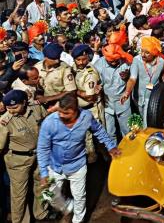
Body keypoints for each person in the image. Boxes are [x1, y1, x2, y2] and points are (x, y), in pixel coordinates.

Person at [37, 94, 120, 223]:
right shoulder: (49, 123)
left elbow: (98, 130)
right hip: (54, 167)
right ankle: (68, 207)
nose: (62, 116)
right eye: (60, 112)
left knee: (80, 197)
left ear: (76, 111)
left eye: (66, 113)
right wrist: (43, 172)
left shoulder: (86, 117)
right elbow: (42, 149)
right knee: (49, 195)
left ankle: (78, 220)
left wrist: (110, 146)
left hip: (78, 166)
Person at [0, 90, 48, 222]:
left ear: (24, 102)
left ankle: (41, 213)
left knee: (43, 185)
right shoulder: (5, 121)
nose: (11, 110)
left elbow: (47, 124)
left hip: (40, 155)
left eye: (15, 107)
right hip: (18, 161)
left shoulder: (36, 108)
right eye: (8, 107)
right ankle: (20, 221)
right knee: (19, 194)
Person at [121, 36, 164, 124]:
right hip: (139, 98)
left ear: (154, 53)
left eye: (147, 53)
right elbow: (132, 79)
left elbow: (163, 77)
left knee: (148, 123)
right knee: (144, 119)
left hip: (155, 99)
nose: (143, 55)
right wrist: (127, 92)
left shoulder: (162, 62)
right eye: (142, 51)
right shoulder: (136, 61)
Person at [94, 43, 132, 140]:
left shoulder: (126, 62)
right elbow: (97, 83)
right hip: (107, 104)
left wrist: (128, 77)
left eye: (116, 61)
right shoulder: (98, 65)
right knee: (110, 133)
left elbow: (134, 80)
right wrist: (97, 87)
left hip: (123, 102)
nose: (114, 63)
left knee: (127, 131)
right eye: (111, 61)